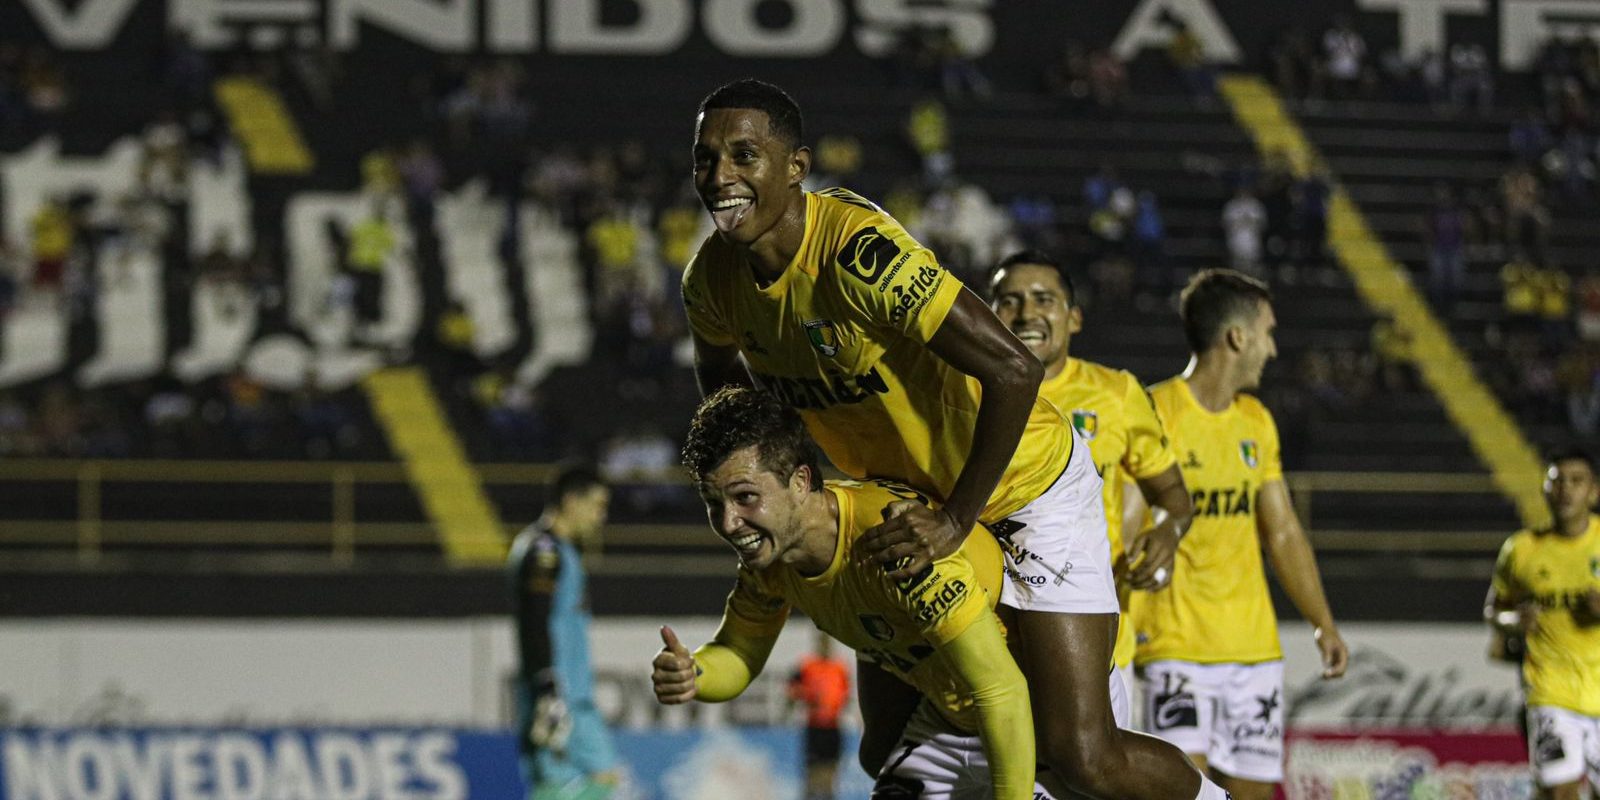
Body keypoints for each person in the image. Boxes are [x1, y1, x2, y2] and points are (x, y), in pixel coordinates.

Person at [681, 78, 1224, 799]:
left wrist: (957, 518)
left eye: (744, 154)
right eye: (705, 158)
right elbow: (730, 406)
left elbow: (1013, 368)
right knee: (882, 751)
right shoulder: (711, 282)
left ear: (796, 167)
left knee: (1080, 758)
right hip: (906, 497)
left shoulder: (857, 254)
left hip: (1025, 487)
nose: (720, 177)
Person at [652, 386, 1035, 799]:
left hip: (1028, 722)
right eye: (714, 504)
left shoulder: (892, 540)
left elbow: (1001, 690)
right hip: (949, 723)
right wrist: (696, 673)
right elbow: (740, 653)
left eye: (745, 498)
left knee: (1096, 767)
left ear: (800, 481)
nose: (728, 523)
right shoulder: (771, 562)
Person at [1130, 269, 1349, 800]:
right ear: (1237, 337)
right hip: (1174, 646)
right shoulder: (1153, 411)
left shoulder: (1256, 421)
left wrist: (1322, 622)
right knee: (1182, 793)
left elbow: (1284, 534)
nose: (1272, 350)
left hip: (1252, 650)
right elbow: (1126, 527)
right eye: (1268, 333)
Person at [987, 250, 1194, 727]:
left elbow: (1173, 498)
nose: (1027, 313)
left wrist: (1166, 533)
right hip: (991, 636)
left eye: (1044, 299)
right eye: (1010, 300)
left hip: (1094, 639)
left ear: (1073, 317)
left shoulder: (1116, 394)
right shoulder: (962, 392)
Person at [1486, 448, 1600, 800]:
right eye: (1557, 480)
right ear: (1545, 489)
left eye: (1576, 481)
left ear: (1593, 491)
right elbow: (1493, 611)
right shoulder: (1521, 550)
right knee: (1559, 792)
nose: (1566, 489)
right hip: (1550, 691)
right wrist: (1514, 621)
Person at [508, 465, 619, 800]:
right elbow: (535, 620)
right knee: (589, 778)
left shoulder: (556, 550)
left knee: (566, 781)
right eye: (597, 505)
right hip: (559, 693)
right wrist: (547, 685)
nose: (601, 517)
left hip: (565, 691)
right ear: (571, 501)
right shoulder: (544, 551)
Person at [788, 632, 851, 800]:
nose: (824, 646)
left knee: (830, 770)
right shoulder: (808, 666)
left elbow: (846, 695)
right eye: (821, 642)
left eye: (827, 643)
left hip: (832, 726)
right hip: (814, 726)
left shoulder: (839, 668)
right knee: (812, 771)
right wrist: (804, 697)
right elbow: (792, 688)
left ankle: (828, 796)